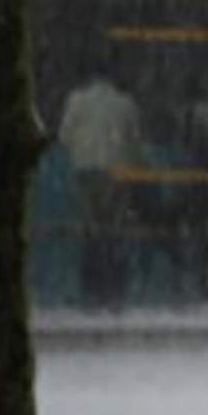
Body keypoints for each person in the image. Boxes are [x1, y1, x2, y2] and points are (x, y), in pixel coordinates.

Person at [55, 59, 144, 310]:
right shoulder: (125, 104)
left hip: (85, 172)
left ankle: (91, 291)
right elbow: (135, 144)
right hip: (117, 172)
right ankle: (114, 292)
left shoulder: (76, 100)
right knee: (113, 232)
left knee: (91, 230)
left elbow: (64, 136)